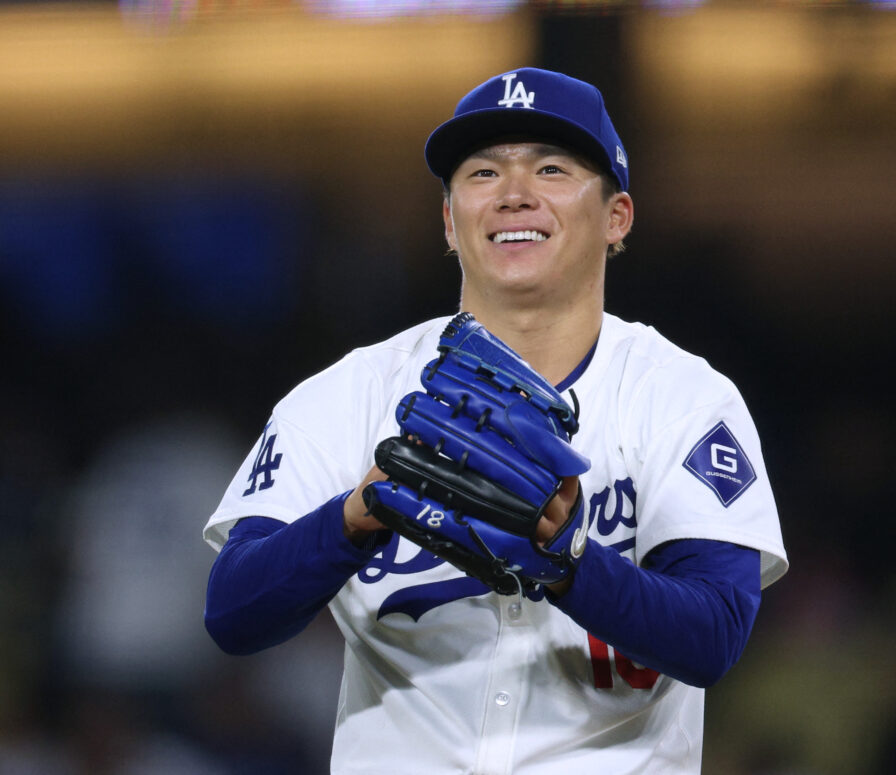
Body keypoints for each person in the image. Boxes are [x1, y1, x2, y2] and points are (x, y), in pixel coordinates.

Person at [203, 67, 788, 774]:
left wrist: (570, 564)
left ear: (617, 216)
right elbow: (234, 611)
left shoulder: (682, 398)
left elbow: (713, 636)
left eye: (550, 167)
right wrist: (357, 514)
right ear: (450, 220)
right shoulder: (351, 394)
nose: (514, 194)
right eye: (482, 172)